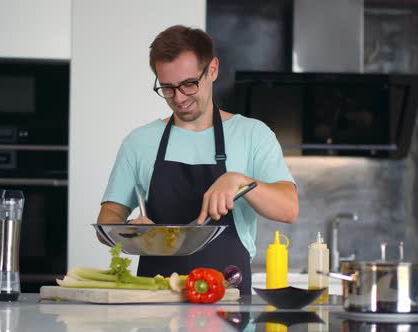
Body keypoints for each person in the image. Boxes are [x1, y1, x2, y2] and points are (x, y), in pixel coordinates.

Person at [96, 25, 298, 295]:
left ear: (212, 70)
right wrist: (130, 231)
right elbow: (105, 222)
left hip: (227, 300)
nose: (179, 98)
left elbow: (289, 209)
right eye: (167, 88)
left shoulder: (253, 134)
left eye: (188, 84)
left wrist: (239, 181)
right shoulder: (140, 141)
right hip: (153, 305)